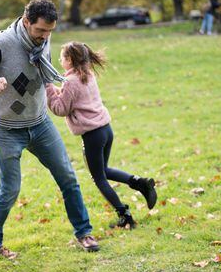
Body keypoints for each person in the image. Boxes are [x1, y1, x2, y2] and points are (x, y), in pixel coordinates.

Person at [0, 0, 99, 256]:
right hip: (7, 128)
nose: (45, 36)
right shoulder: (1, 43)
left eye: (50, 31)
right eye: (40, 31)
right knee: (10, 190)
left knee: (68, 178)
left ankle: (84, 232)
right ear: (26, 22)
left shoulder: (43, 38)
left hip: (39, 123)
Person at [46, 41, 157, 229]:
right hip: (105, 129)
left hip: (92, 135)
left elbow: (60, 108)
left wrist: (48, 87)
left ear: (70, 60)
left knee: (98, 177)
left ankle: (125, 216)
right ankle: (140, 183)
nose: (59, 60)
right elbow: (71, 97)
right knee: (103, 170)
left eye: (62, 57)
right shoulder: (86, 74)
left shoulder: (71, 81)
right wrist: (56, 89)